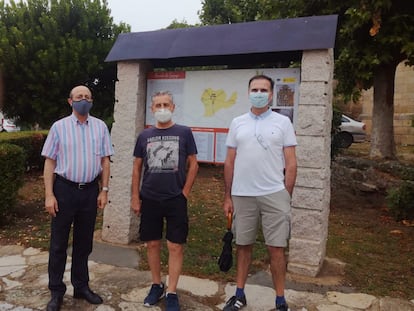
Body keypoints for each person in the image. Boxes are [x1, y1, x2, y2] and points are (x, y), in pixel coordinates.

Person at [222, 75, 297, 311]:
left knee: (276, 249)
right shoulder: (237, 122)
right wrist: (227, 195)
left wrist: (286, 193)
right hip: (243, 194)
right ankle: (240, 295)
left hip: (274, 193)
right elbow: (229, 161)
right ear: (248, 93)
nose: (259, 93)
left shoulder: (282, 122)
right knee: (243, 246)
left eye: (263, 89)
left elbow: (291, 162)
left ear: (271, 94)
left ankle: (280, 300)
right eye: (254, 89)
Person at [42, 85, 114, 311]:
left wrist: (104, 190)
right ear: (70, 101)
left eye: (87, 97)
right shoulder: (59, 127)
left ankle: (81, 286)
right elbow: (50, 162)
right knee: (58, 245)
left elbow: (105, 161)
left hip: (90, 192)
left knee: (84, 244)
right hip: (64, 190)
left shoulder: (100, 127)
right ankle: (56, 291)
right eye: (79, 97)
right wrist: (49, 194)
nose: (83, 100)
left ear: (92, 101)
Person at [131, 91, 199, 311]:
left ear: (173, 107)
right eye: (158, 105)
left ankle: (171, 291)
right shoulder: (144, 136)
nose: (162, 108)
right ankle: (156, 284)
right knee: (152, 243)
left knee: (175, 245)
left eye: (166, 104)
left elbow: (194, 164)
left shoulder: (184, 132)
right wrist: (135, 196)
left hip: (175, 198)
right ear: (152, 109)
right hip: (150, 197)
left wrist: (185, 192)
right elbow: (137, 168)